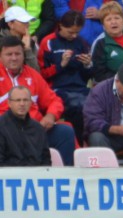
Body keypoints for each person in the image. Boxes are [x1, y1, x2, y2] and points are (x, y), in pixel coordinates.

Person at [0, 35, 75, 166]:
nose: (14, 58)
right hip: (5, 133)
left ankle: (64, 178)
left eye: (18, 53)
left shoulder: (33, 75)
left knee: (65, 132)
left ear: (24, 55)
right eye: (9, 54)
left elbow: (54, 101)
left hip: (35, 129)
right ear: (1, 56)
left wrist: (51, 116)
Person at [38, 10, 92, 144]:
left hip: (80, 88)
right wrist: (60, 64)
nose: (73, 35)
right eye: (70, 32)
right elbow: (43, 74)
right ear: (61, 25)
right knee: (77, 106)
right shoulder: (48, 42)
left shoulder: (82, 43)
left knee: (95, 104)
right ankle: (77, 144)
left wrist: (88, 65)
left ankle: (88, 143)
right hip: (57, 88)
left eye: (77, 32)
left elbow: (87, 76)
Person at [0, 86, 51, 166]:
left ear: (31, 103)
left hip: (37, 176)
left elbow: (46, 161)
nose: (22, 104)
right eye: (18, 100)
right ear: (9, 103)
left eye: (25, 100)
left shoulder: (38, 128)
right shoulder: (1, 126)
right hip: (10, 177)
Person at [52, 0, 123, 46]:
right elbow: (60, 10)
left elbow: (121, 12)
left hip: (105, 41)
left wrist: (102, 14)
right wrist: (76, 20)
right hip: (74, 40)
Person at [0, 6, 39, 71]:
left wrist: (27, 50)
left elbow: (36, 72)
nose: (28, 25)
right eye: (24, 22)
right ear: (10, 24)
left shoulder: (30, 42)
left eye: (28, 22)